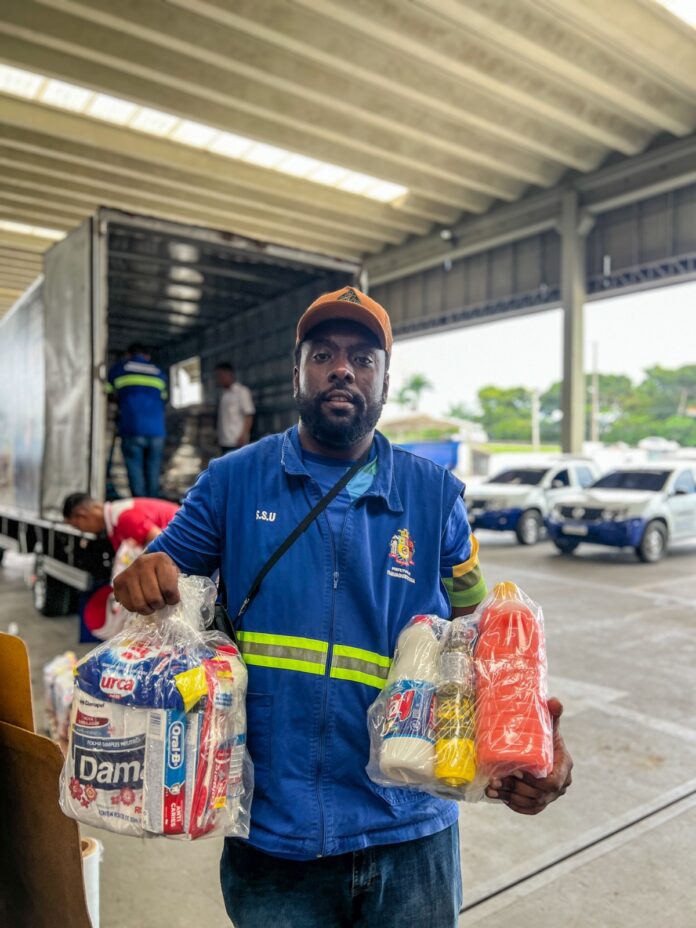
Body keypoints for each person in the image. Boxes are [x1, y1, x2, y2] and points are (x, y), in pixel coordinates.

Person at [114, 287, 573, 928]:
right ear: (296, 371)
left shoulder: (435, 496)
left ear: (386, 379)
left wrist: (532, 748)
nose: (342, 369)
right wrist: (139, 576)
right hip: (274, 839)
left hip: (411, 833)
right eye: (323, 353)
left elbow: (481, 640)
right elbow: (154, 584)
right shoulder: (232, 482)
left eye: (363, 358)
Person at [107, 343, 168, 497]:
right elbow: (164, 398)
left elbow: (108, 393)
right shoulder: (159, 372)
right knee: (153, 471)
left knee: (135, 470)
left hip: (132, 428)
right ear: (147, 356)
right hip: (156, 430)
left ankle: (140, 506)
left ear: (128, 355)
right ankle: (153, 505)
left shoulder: (120, 369)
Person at [62, 493, 179, 551]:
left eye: (77, 526)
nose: (82, 530)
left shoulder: (123, 517)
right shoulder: (114, 521)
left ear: (82, 515)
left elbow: (161, 541)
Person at [215, 362, 255, 454]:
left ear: (229, 374)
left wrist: (243, 435)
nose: (219, 379)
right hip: (224, 441)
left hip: (237, 441)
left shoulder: (242, 391)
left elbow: (249, 415)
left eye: (221, 376)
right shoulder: (223, 394)